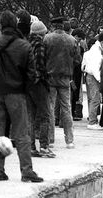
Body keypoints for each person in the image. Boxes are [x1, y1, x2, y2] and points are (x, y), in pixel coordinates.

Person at [0, 10, 43, 182]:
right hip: (16, 92)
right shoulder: (24, 45)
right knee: (22, 133)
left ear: (0, 24)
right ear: (16, 24)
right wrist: (25, 88)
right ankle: (26, 171)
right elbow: (32, 74)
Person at [44, 16, 81, 149]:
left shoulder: (47, 38)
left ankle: (50, 139)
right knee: (66, 109)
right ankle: (69, 140)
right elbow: (77, 59)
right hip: (65, 77)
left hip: (50, 76)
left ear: (53, 26)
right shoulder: (72, 40)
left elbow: (42, 57)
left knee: (50, 108)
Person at [27, 20, 55, 158]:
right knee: (45, 115)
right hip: (38, 83)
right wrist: (45, 78)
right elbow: (40, 66)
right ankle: (44, 146)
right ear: (41, 33)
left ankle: (31, 147)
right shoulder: (40, 45)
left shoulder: (26, 44)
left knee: (31, 116)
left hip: (27, 84)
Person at [82, 31, 103, 131]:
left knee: (92, 99)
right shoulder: (97, 51)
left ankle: (92, 119)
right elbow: (95, 67)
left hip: (91, 75)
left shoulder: (97, 48)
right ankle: (92, 122)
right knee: (95, 99)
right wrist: (100, 80)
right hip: (94, 76)